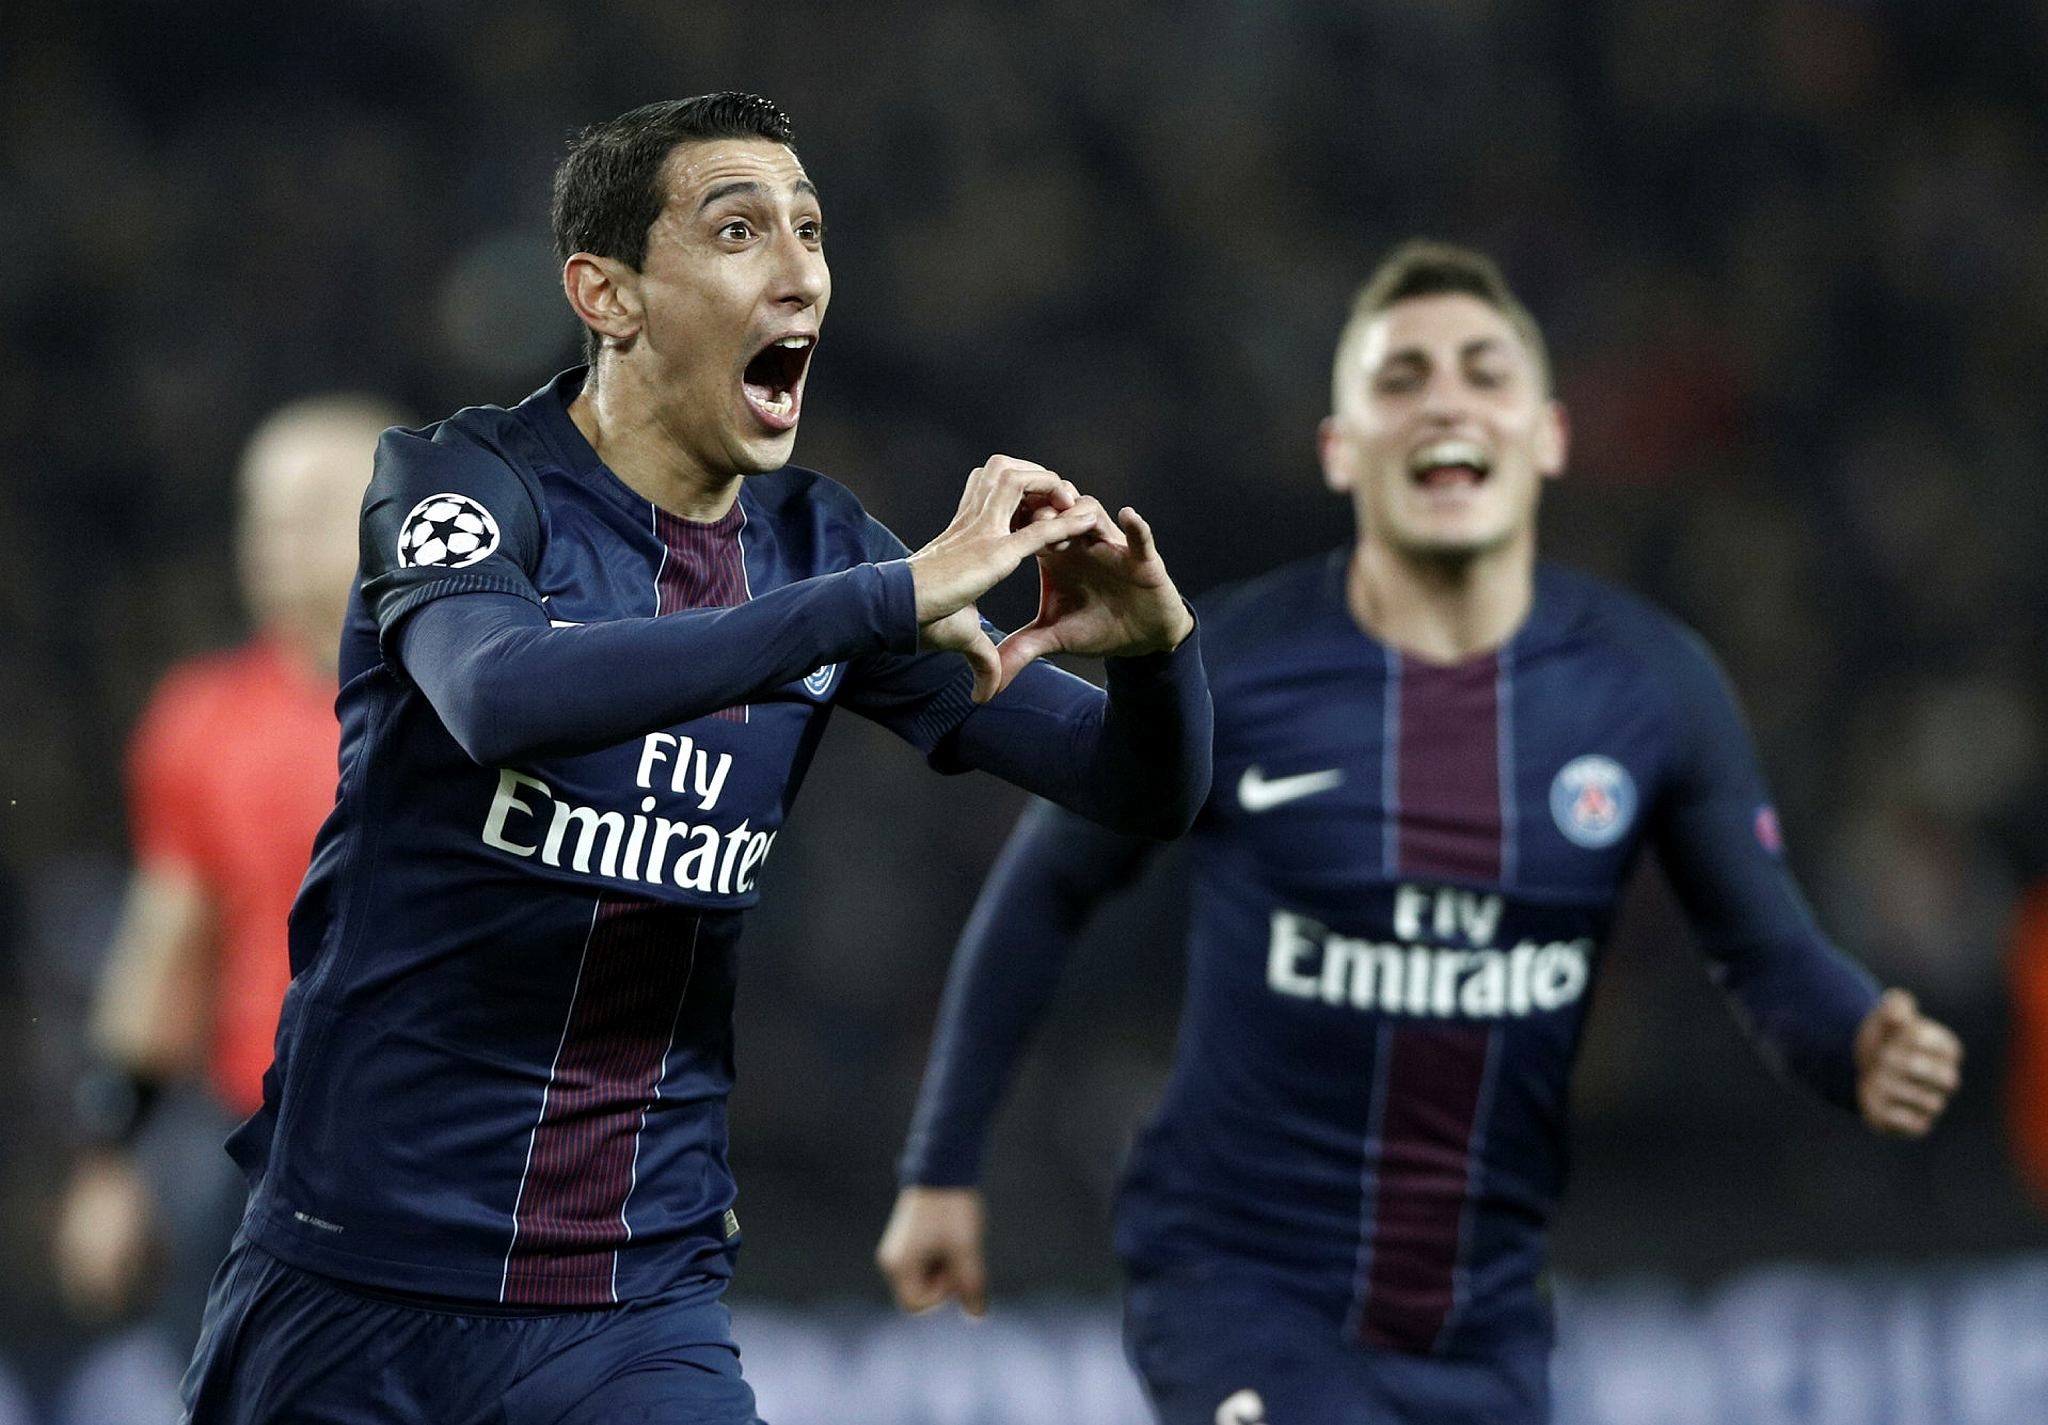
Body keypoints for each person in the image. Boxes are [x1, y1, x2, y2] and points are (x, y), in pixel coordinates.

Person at [177, 92, 1210, 1425]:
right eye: (739, 229)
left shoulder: (824, 555)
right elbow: (499, 695)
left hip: (626, 1313)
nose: (799, 271)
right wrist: (876, 605)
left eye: (812, 232)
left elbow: (1143, 788)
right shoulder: (462, 488)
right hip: (345, 1289)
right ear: (606, 294)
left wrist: (1154, 657)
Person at [877, 240, 1964, 1425]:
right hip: (1240, 1286)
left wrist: (1851, 1039)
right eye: (1400, 379)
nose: (1444, 397)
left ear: (1545, 435)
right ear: (1342, 450)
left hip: (1480, 1317)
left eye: (1482, 370)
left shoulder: (1648, 687)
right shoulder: (1233, 663)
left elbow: (1761, 954)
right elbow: (1046, 890)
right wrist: (943, 1160)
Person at [57, 396, 407, 1339]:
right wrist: (110, 1155)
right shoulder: (201, 720)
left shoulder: (485, 699)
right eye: (258, 515)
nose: (270, 540)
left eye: (304, 512)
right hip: (266, 1149)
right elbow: (165, 948)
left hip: (446, 1144)